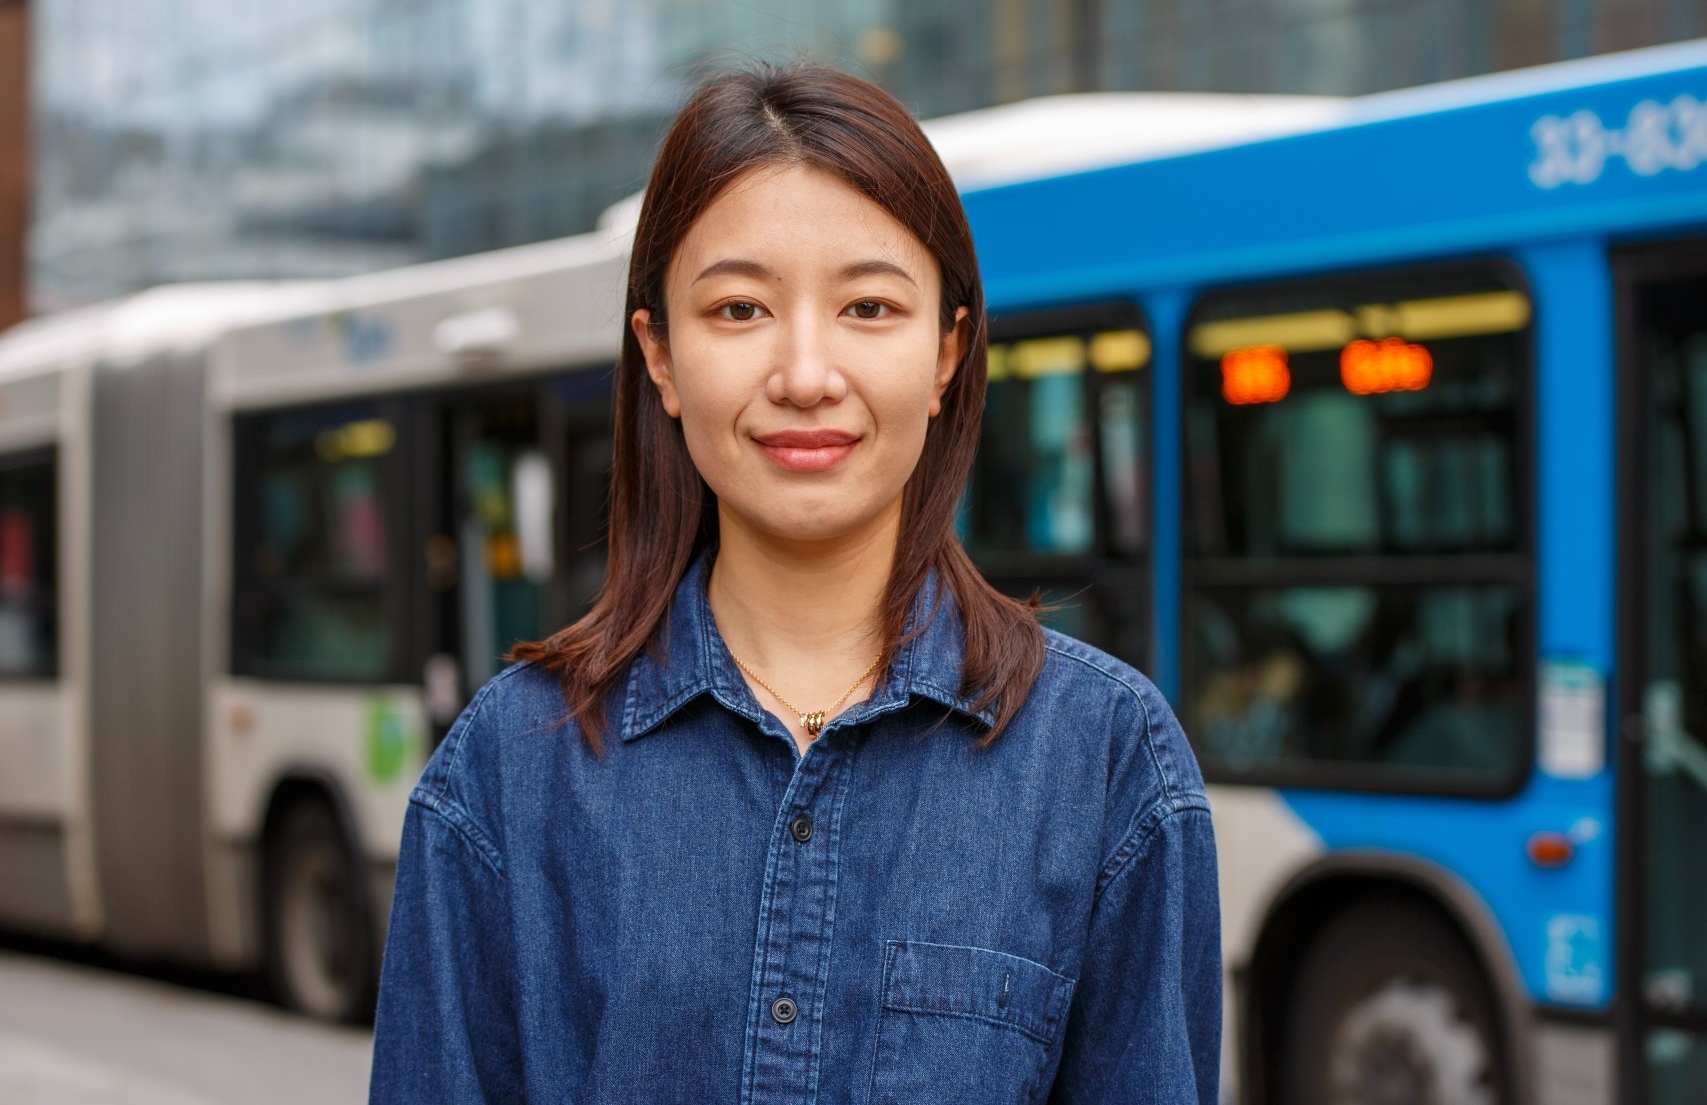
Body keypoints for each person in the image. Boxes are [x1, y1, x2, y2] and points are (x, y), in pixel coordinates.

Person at [369, 63, 1220, 1105]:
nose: (807, 373)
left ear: (947, 350)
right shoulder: (507, 772)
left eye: (869, 305)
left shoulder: (1104, 759)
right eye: (739, 309)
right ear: (662, 358)